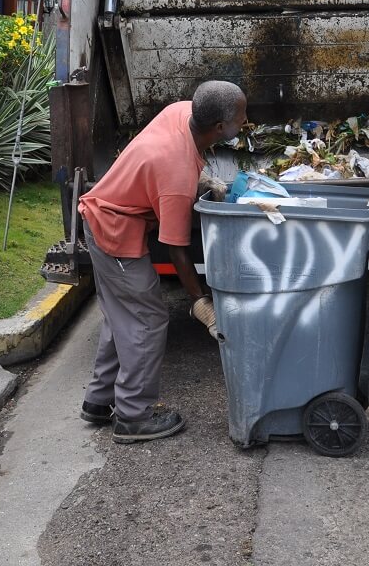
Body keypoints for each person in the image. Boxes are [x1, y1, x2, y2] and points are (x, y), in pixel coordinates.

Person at [77, 80, 247, 444]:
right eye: (241, 117)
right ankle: (132, 416)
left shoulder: (182, 111)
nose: (245, 122)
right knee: (147, 319)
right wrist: (200, 302)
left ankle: (99, 400)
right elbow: (176, 250)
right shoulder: (175, 174)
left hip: (102, 218)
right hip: (114, 231)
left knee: (122, 315)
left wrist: (206, 179)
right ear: (220, 128)